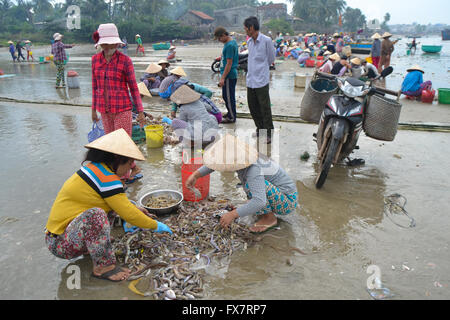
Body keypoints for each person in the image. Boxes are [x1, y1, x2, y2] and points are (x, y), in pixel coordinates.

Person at [44, 129, 172, 282]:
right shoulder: (106, 178)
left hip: (68, 233)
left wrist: (135, 208)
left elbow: (119, 203)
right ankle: (103, 267)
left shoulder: (96, 169)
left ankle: (92, 247)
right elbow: (128, 214)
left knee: (110, 209)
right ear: (117, 159)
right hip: (60, 244)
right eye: (129, 162)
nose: (131, 167)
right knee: (96, 215)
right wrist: (155, 225)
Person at [186, 134, 298, 233]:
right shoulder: (243, 159)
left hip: (287, 202)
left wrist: (232, 214)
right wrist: (195, 175)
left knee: (251, 187)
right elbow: (215, 163)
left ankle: (269, 219)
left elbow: (259, 201)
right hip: (278, 194)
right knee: (251, 187)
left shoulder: (253, 169)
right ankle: (264, 212)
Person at [91, 23, 146, 184]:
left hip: (122, 108)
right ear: (101, 44)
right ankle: (133, 168)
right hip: (104, 109)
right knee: (112, 143)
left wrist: (141, 111)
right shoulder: (95, 60)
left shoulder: (125, 61)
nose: (109, 46)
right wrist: (93, 110)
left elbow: (134, 88)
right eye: (106, 44)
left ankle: (123, 176)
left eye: (112, 43)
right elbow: (95, 87)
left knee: (122, 143)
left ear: (116, 43)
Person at [244, 16, 276, 144]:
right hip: (250, 80)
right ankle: (260, 128)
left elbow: (271, 58)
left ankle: (268, 132)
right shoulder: (249, 42)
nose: (245, 30)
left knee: (264, 108)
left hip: (261, 80)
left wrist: (262, 70)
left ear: (251, 28)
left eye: (246, 28)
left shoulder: (266, 41)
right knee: (253, 107)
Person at [214, 26, 239, 124]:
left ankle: (232, 117)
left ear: (224, 35)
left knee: (228, 97)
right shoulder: (230, 43)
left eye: (219, 38)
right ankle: (230, 113)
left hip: (229, 75)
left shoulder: (229, 45)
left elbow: (229, 63)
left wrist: (223, 78)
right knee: (226, 96)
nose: (219, 40)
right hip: (228, 74)